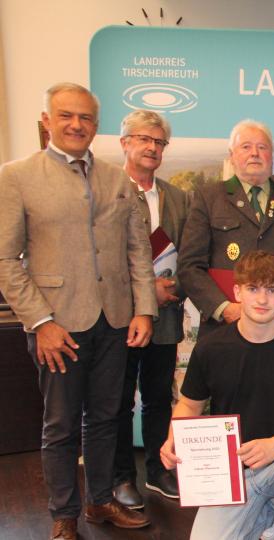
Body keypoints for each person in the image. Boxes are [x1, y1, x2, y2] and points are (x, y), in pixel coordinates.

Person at [0, 82, 156, 539]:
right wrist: (41, 322)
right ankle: (63, 514)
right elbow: (6, 261)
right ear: (48, 120)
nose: (76, 124)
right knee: (61, 424)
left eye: (86, 117)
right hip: (57, 326)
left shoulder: (115, 179)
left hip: (114, 322)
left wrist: (143, 310)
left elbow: (137, 252)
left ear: (97, 125)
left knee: (108, 417)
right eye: (66, 115)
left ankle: (101, 501)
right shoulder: (16, 176)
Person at [160, 250, 274, 539]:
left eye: (272, 289)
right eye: (253, 289)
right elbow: (189, 406)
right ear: (237, 292)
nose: (263, 299)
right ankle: (266, 515)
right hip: (230, 472)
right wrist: (173, 437)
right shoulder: (210, 348)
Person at [178, 119, 274, 337]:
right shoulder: (209, 198)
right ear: (232, 155)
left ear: (271, 156)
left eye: (262, 147)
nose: (254, 153)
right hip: (224, 327)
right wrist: (223, 308)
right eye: (246, 147)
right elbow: (190, 265)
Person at [113, 110, 189, 509]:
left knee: (160, 396)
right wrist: (144, 293)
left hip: (167, 317)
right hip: (120, 319)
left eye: (159, 142)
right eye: (144, 139)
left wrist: (170, 288)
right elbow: (102, 261)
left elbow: (191, 256)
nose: (152, 148)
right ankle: (123, 477)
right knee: (119, 400)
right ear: (125, 142)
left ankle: (159, 472)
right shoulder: (107, 190)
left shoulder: (178, 197)